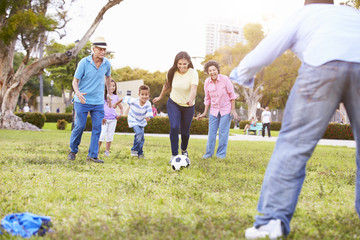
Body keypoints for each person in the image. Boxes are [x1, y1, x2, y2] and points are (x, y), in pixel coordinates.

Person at [230, 0, 360, 238]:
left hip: (322, 66)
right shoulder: (350, 13)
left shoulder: (305, 14)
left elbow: (268, 49)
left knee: (293, 145)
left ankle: (271, 221)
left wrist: (241, 73)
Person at [67, 36, 112, 164]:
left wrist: (108, 94)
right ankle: (73, 151)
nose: (103, 52)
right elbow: (75, 81)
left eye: (104, 50)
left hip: (98, 102)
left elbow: (108, 78)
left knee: (97, 127)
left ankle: (92, 155)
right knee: (80, 126)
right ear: (93, 49)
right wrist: (78, 93)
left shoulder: (106, 63)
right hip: (82, 100)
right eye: (100, 49)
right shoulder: (84, 62)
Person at [153, 51, 198, 163]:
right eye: (180, 64)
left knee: (185, 132)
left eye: (184, 64)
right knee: (174, 127)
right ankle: (174, 155)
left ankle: (183, 149)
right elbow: (166, 86)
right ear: (176, 63)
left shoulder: (193, 73)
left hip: (188, 105)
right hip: (174, 103)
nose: (182, 66)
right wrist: (160, 97)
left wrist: (191, 99)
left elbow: (194, 89)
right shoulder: (172, 72)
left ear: (188, 63)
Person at [197, 60, 238, 159]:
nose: (212, 72)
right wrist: (204, 112)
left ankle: (220, 155)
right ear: (207, 72)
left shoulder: (225, 79)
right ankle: (208, 154)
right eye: (210, 70)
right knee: (211, 133)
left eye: (214, 70)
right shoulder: (207, 82)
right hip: (214, 110)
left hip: (226, 109)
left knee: (223, 133)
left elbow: (232, 95)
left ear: (217, 70)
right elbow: (207, 99)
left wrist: (233, 110)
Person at [114, 85, 153, 159]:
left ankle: (140, 153)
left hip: (141, 121)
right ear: (139, 95)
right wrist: (115, 104)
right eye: (142, 94)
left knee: (142, 138)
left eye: (146, 95)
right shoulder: (134, 100)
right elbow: (123, 99)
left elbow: (149, 113)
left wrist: (148, 117)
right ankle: (134, 150)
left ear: (149, 95)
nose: (144, 96)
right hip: (133, 120)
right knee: (138, 133)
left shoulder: (148, 104)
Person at [98, 79, 123, 157]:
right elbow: (99, 108)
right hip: (104, 120)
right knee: (101, 136)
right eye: (110, 86)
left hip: (113, 120)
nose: (112, 87)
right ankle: (96, 151)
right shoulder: (103, 96)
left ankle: (107, 152)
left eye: (113, 86)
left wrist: (120, 115)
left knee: (109, 136)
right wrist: (101, 117)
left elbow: (121, 108)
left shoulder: (116, 97)